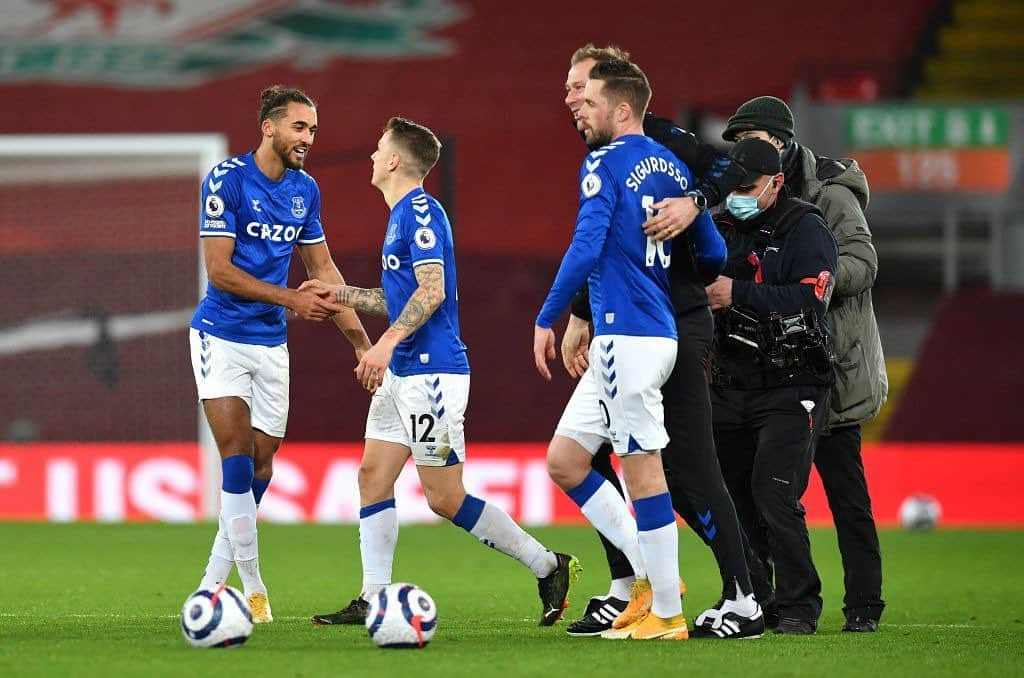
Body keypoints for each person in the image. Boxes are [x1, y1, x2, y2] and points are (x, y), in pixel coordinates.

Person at [307, 117, 579, 627]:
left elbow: (431, 293)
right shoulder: (398, 217)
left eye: (377, 148)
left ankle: (548, 565)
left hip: (432, 374)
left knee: (444, 497)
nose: (370, 156)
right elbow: (400, 297)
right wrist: (338, 295)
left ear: (394, 160)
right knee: (372, 477)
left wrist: (385, 345)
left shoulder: (422, 212)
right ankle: (374, 596)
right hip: (404, 373)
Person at [560, 44, 763, 639]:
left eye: (579, 87)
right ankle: (632, 585)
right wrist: (581, 314)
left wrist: (696, 203)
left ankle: (744, 593)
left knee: (689, 466)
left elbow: (747, 171)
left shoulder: (667, 142)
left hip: (677, 318)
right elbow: (602, 244)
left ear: (614, 96)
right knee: (586, 454)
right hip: (623, 323)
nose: (570, 98)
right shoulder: (603, 153)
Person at [535, 59, 710, 641]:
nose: (579, 109)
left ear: (623, 108)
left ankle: (666, 609)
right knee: (566, 460)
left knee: (643, 472)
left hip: (626, 335)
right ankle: (654, 577)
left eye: (590, 101)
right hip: (656, 332)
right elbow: (710, 257)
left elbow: (585, 245)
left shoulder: (604, 161)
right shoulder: (674, 167)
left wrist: (548, 315)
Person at [190, 85, 372, 623]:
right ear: (268, 127)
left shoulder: (305, 190)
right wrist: (290, 298)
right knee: (237, 454)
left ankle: (210, 584)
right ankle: (249, 588)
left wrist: (361, 342)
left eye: (313, 130)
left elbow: (324, 271)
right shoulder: (226, 179)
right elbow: (219, 270)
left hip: (271, 344)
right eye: (299, 127)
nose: (308, 139)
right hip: (220, 335)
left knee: (263, 464)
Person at [722, 96, 887, 632]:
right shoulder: (741, 194)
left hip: (828, 362)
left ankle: (863, 605)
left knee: (846, 495)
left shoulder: (831, 196)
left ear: (783, 142)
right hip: (761, 370)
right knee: (764, 492)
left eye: (757, 136)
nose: (748, 146)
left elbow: (863, 263)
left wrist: (806, 280)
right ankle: (770, 600)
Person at [706, 137, 839, 635]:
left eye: (749, 187)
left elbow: (814, 299)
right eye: (731, 187)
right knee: (728, 496)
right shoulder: (715, 225)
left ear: (778, 183)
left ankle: (799, 605)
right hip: (730, 382)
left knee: (774, 493)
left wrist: (736, 291)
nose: (737, 196)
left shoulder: (805, 227)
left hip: (792, 381)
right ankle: (750, 598)